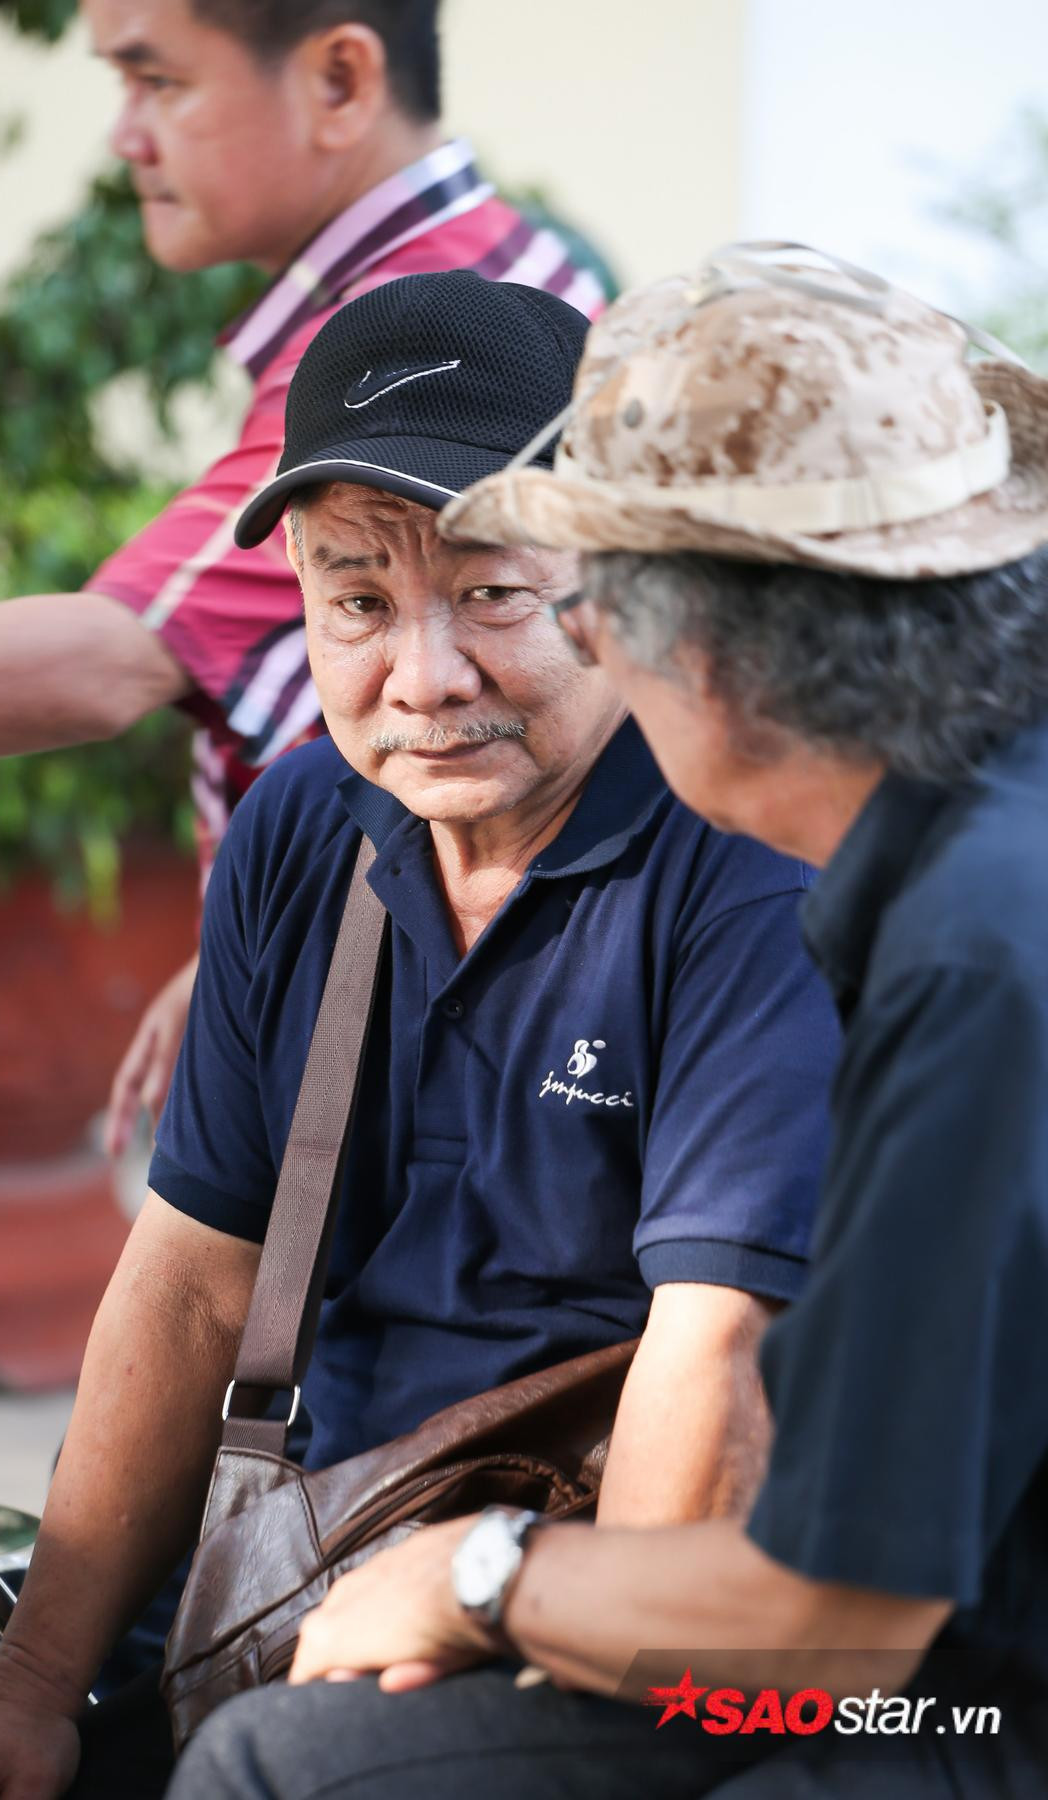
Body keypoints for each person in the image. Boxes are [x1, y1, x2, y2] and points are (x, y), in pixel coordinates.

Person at [0, 270, 840, 1799]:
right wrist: (37, 1683)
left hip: (612, 1610)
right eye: (358, 603)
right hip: (309, 1550)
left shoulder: (740, 857)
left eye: (495, 594)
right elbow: (192, 1276)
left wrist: (505, 1652)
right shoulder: (305, 828)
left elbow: (717, 1366)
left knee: (280, 1769)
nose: (423, 679)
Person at [161, 248, 1048, 1798]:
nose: (441, 675)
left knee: (280, 1766)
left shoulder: (975, 953)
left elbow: (830, 1632)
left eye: (554, 598)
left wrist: (478, 1580)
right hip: (895, 1643)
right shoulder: (970, 859)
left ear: (688, 654)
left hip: (958, 1710)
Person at [0, 0, 607, 1154]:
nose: (127, 136)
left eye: (161, 81)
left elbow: (105, 661)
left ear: (342, 80)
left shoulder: (415, 338)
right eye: (356, 600)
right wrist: (258, 930)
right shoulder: (502, 271)